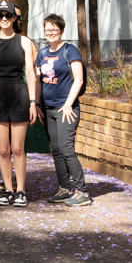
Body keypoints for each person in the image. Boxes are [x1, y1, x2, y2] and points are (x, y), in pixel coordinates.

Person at [0, 1, 39, 207]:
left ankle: (21, 190)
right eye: (0, 16)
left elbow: (30, 73)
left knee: (18, 148)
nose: (4, 19)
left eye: (8, 15)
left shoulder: (24, 41)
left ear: (15, 18)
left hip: (19, 93)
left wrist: (33, 102)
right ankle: (8, 190)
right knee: (3, 149)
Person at [36, 14, 90, 207]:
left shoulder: (70, 50)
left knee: (67, 149)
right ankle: (64, 188)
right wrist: (36, 103)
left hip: (67, 108)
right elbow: (37, 80)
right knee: (57, 150)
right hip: (48, 108)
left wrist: (68, 104)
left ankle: (81, 191)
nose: (51, 33)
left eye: (54, 30)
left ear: (62, 31)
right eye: (48, 30)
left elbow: (79, 80)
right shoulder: (42, 53)